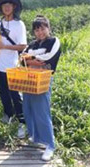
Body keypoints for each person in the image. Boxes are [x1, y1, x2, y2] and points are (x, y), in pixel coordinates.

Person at [20, 15, 61, 161]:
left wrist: (32, 59)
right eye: (37, 30)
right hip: (28, 80)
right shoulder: (32, 44)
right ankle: (35, 136)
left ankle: (50, 145)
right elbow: (22, 58)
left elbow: (49, 57)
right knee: (28, 108)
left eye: (43, 28)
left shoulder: (53, 41)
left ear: (48, 28)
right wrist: (33, 60)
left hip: (43, 80)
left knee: (42, 111)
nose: (40, 32)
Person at [0, 0, 27, 138]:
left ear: (14, 7)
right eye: (4, 5)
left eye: (9, 5)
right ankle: (8, 113)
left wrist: (4, 46)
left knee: (15, 95)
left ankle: (22, 122)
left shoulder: (19, 24)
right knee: (3, 92)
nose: (6, 7)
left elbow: (23, 45)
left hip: (12, 65)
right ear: (1, 9)